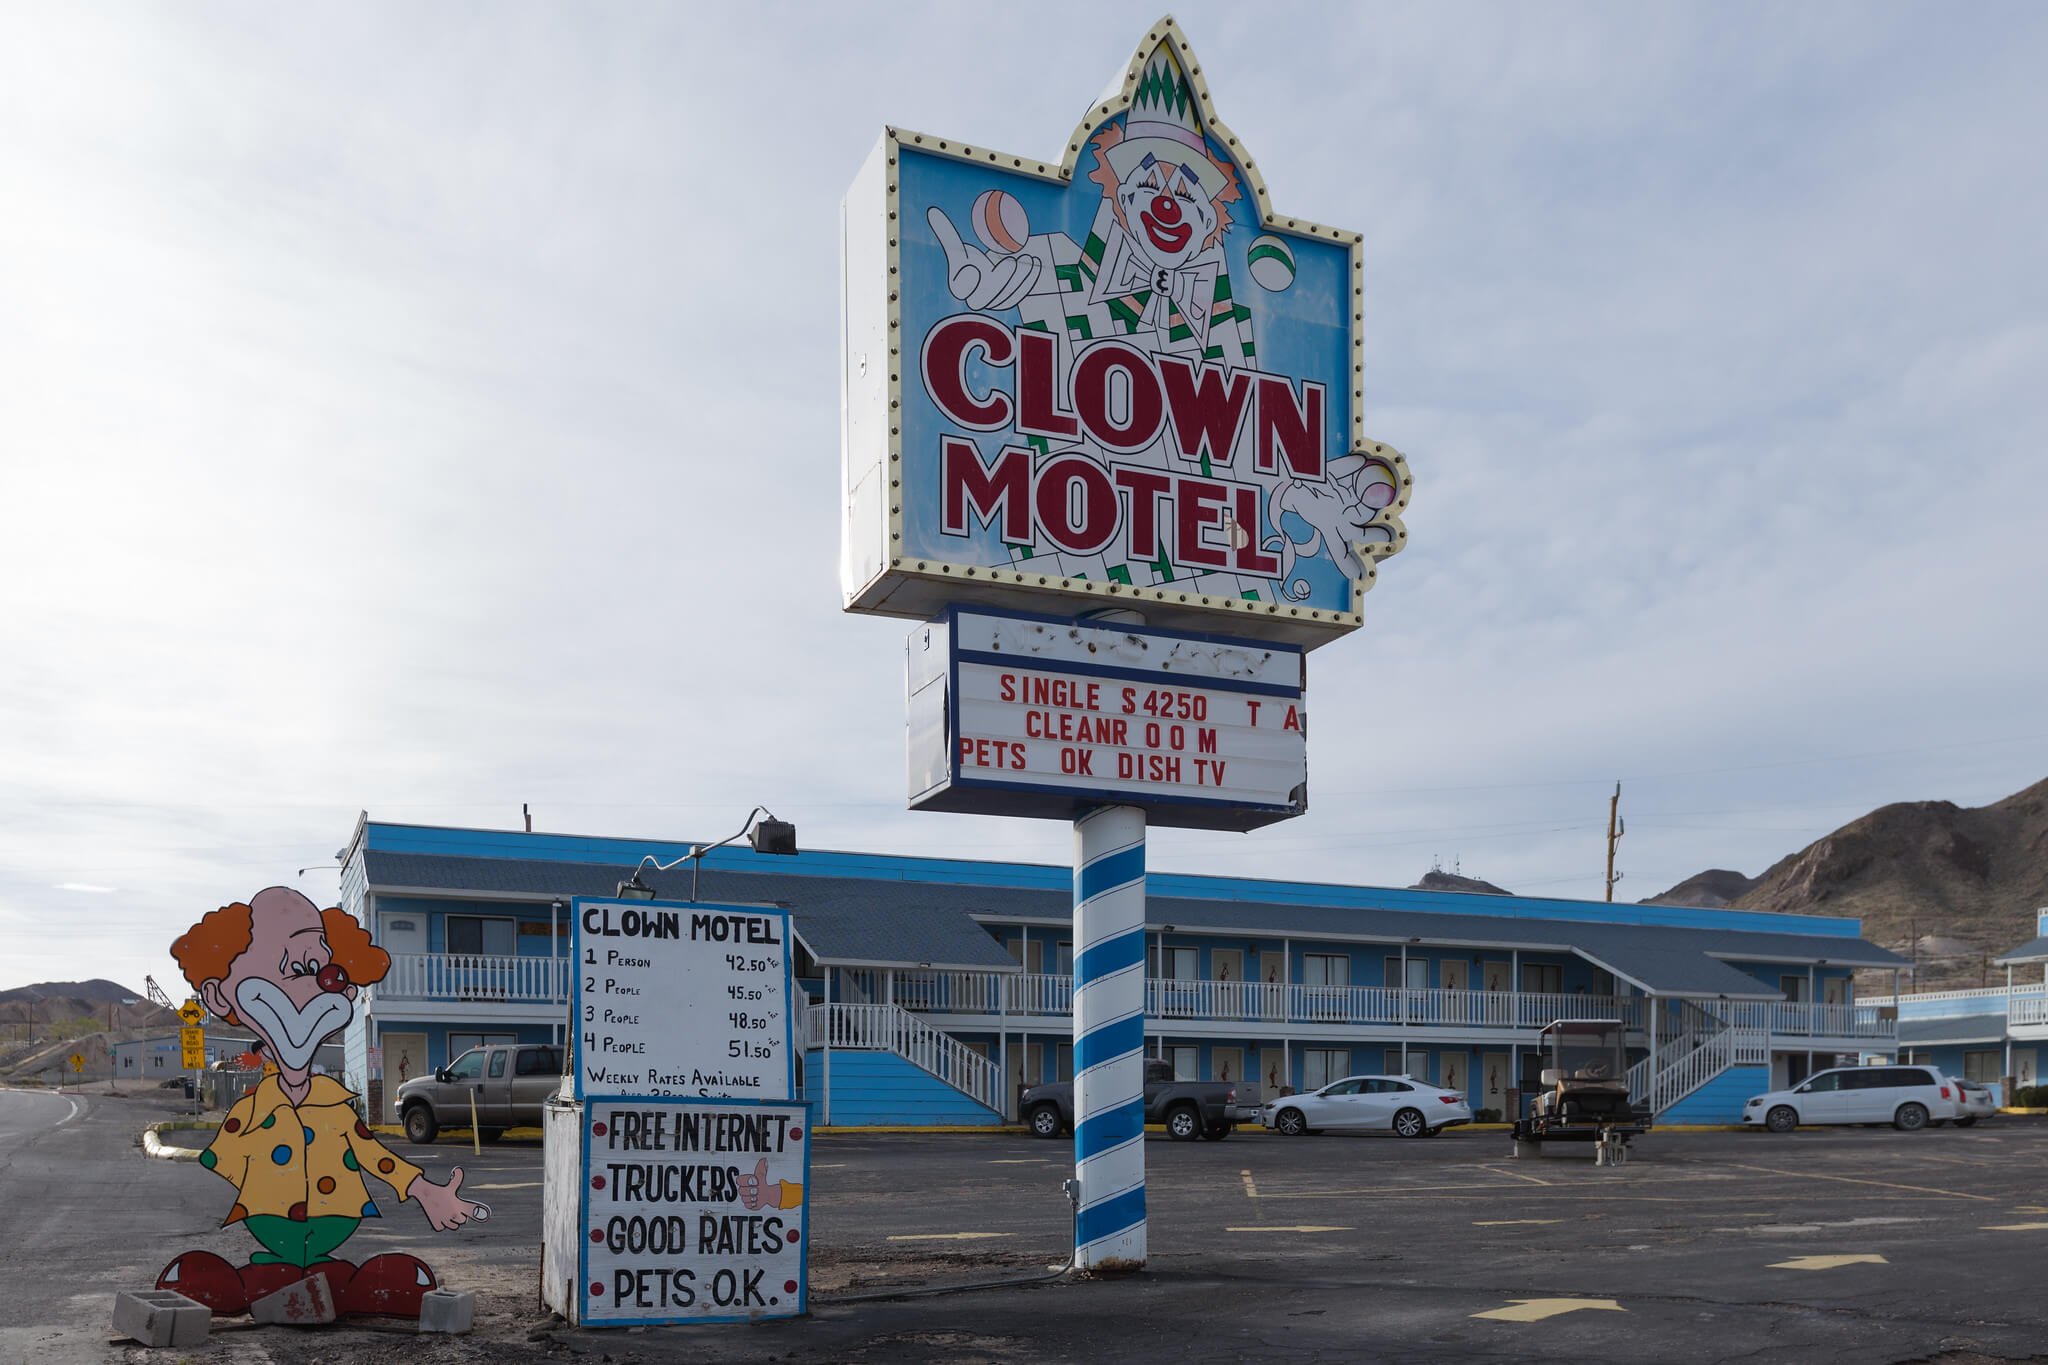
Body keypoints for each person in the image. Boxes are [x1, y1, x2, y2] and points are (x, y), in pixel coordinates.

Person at [155, 887, 483, 1318]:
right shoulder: (253, 1109)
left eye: (323, 973)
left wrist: (423, 1190)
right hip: (270, 1221)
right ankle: (247, 1286)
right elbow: (226, 1159)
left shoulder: (335, 1104)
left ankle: (346, 1287)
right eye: (292, 969)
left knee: (351, 1282)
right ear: (219, 996)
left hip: (336, 1218)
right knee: (259, 1278)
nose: (313, 988)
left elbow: (372, 1155)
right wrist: (271, 1179)